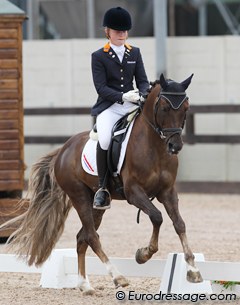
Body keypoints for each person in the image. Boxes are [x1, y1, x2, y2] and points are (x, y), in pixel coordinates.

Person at [91, 6, 149, 210]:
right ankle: (102, 188)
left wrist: (143, 93)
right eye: (117, 31)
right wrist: (122, 95)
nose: (122, 35)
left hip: (132, 104)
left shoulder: (135, 52)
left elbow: (142, 80)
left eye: (124, 31)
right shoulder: (99, 56)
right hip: (110, 107)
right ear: (108, 31)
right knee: (106, 139)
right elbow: (101, 88)